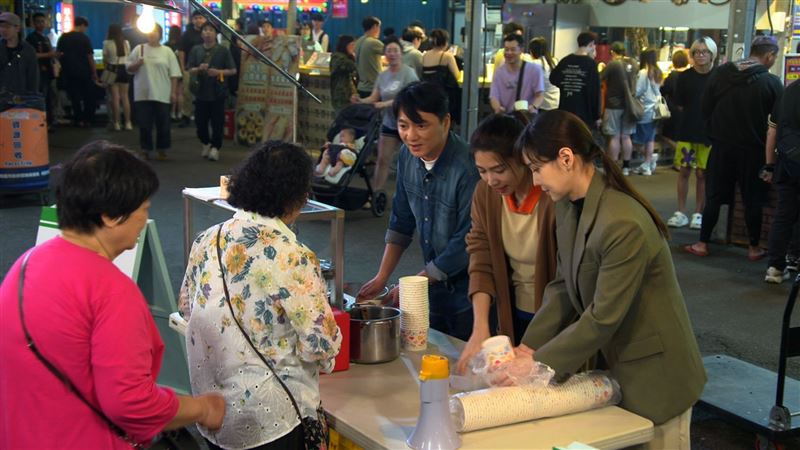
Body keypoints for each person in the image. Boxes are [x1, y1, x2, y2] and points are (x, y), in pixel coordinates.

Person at [0, 140, 226, 448]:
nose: (143, 220)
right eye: (143, 209)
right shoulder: (111, 291)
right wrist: (203, 407)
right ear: (109, 216)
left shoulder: (25, 265)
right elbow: (131, 403)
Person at [511, 110, 706, 449]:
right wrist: (528, 347)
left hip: (657, 377)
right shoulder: (569, 205)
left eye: (536, 169)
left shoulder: (621, 222)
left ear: (566, 158)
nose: (535, 181)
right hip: (616, 368)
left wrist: (538, 365)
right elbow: (561, 286)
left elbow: (603, 317)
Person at [180, 140, 342, 450]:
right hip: (274, 422)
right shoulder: (292, 255)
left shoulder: (206, 240)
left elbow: (188, 308)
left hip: (215, 415)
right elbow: (321, 345)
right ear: (296, 198)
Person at [358, 81, 480, 341]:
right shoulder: (407, 157)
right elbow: (400, 221)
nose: (411, 135)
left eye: (421, 125)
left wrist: (418, 280)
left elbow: (468, 238)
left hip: (471, 290)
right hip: (433, 285)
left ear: (446, 122)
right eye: (404, 126)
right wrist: (382, 277)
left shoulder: (468, 167)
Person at [456, 113, 557, 374]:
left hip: (554, 317)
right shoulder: (485, 194)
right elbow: (480, 256)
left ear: (523, 160)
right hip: (512, 312)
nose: (491, 180)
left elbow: (567, 279)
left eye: (499, 170)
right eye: (482, 171)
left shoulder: (552, 196)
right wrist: (480, 328)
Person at [685, 35, 783, 260]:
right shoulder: (771, 83)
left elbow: (705, 106)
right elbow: (778, 122)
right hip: (753, 150)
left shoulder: (721, 73)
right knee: (752, 200)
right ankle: (754, 248)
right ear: (769, 56)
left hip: (720, 146)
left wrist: (715, 130)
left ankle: (702, 243)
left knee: (714, 196)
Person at [352, 36, 418, 191]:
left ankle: (415, 193)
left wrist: (385, 103)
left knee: (413, 162)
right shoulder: (383, 75)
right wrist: (360, 100)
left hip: (409, 125)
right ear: (385, 55)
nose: (392, 54)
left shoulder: (409, 73)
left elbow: (409, 98)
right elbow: (374, 97)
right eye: (389, 51)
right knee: (382, 160)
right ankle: (374, 194)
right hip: (389, 123)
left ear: (401, 53)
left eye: (395, 50)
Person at [666, 38, 716, 229]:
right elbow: (679, 103)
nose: (700, 55)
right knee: (684, 171)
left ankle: (698, 213)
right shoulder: (684, 77)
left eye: (704, 52)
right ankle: (680, 212)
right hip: (687, 130)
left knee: (702, 173)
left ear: (712, 54)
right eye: (696, 52)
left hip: (708, 133)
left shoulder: (717, 76)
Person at [127, 24, 182, 161]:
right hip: (143, 93)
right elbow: (128, 68)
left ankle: (162, 149)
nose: (152, 34)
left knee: (163, 124)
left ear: (160, 34)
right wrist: (137, 64)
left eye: (155, 32)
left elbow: (174, 74)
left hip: (162, 93)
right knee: (144, 124)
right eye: (150, 32)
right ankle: (145, 149)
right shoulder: (139, 49)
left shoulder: (167, 51)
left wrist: (174, 92)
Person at [764, 79, 800, 283]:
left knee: (784, 215)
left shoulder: (788, 92)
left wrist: (769, 165)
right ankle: (794, 257)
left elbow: (772, 131)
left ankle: (775, 267)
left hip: (787, 164)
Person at [187, 23, 236, 162]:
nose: (207, 33)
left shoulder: (223, 50)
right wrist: (198, 69)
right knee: (200, 122)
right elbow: (189, 69)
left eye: (211, 30)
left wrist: (218, 72)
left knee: (217, 123)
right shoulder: (196, 50)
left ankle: (215, 147)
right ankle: (205, 142)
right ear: (201, 34)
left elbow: (233, 70)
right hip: (200, 92)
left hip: (218, 92)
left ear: (216, 34)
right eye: (205, 30)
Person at [601, 41, 638, 175]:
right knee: (626, 136)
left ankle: (614, 167)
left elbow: (600, 77)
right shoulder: (633, 64)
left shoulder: (613, 64)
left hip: (614, 104)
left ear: (612, 52)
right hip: (629, 106)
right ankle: (626, 167)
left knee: (615, 137)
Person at [550, 31, 600, 128]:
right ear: (591, 44)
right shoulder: (591, 64)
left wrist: (566, 84)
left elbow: (553, 78)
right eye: (594, 45)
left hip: (565, 108)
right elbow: (594, 92)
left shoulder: (565, 60)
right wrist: (596, 116)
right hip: (584, 113)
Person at [57, 16, 98, 128]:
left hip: (69, 72)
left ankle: (78, 119)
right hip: (84, 72)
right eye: (85, 27)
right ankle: (87, 119)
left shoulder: (63, 37)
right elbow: (90, 57)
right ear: (82, 26)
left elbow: (58, 55)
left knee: (75, 97)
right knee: (88, 97)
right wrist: (94, 72)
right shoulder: (84, 38)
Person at [489, 34, 544, 115]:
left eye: (513, 49)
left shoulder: (534, 69)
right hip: (507, 117)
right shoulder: (499, 72)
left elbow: (540, 95)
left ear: (521, 50)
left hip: (526, 117)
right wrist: (498, 108)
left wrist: (533, 107)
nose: (509, 53)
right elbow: (493, 96)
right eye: (506, 49)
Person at [631, 49, 663, 176]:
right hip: (655, 110)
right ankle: (647, 163)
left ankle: (649, 159)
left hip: (644, 109)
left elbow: (638, 91)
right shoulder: (658, 72)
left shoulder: (644, 72)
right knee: (650, 138)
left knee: (635, 140)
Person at [421, 28, 461, 124]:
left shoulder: (425, 55)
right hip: (444, 95)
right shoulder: (447, 56)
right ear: (445, 42)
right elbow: (457, 75)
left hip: (428, 95)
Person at [26, 13, 58, 127]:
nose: (41, 24)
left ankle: (50, 121)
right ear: (33, 23)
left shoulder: (45, 38)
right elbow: (33, 55)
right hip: (39, 73)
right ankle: (40, 122)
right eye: (38, 21)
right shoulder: (31, 38)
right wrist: (50, 54)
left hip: (49, 72)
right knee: (41, 97)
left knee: (50, 98)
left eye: (42, 21)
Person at [177, 11, 207, 128]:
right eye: (196, 18)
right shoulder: (187, 34)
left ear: (205, 19)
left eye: (200, 18)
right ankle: (186, 116)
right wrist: (182, 67)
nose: (198, 20)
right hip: (190, 68)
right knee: (187, 93)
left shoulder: (208, 32)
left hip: (205, 69)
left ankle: (203, 116)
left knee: (204, 92)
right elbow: (181, 51)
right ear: (192, 20)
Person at [103, 24, 132, 131]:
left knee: (115, 98)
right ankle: (128, 123)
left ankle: (117, 123)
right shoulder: (126, 43)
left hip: (113, 70)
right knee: (125, 97)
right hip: (124, 70)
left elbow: (105, 59)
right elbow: (128, 57)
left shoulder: (107, 43)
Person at [0, 12, 38, 96]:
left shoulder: (28, 50)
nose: (3, 30)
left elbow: (33, 77)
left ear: (17, 28)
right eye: (1, 27)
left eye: (7, 27)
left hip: (21, 98)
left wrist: (31, 97)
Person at [659, 49, 689, 152]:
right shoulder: (691, 74)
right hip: (687, 111)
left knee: (666, 136)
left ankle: (682, 155)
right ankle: (681, 159)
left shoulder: (673, 76)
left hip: (674, 110)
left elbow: (663, 90)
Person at [354, 16, 383, 98]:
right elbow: (390, 52)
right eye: (379, 27)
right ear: (375, 27)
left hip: (361, 86)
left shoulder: (358, 41)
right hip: (373, 87)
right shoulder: (373, 42)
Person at [528, 37, 559, 112]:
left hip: (543, 105)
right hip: (556, 103)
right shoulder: (554, 61)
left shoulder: (535, 63)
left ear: (532, 51)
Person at [329, 35, 357, 114]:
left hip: (348, 93)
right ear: (345, 45)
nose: (353, 48)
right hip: (341, 94)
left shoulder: (345, 57)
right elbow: (351, 66)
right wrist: (354, 57)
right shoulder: (338, 57)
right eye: (351, 45)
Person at [166, 25, 183, 120]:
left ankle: (172, 113)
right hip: (179, 70)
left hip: (170, 70)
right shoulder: (181, 45)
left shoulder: (166, 45)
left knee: (172, 92)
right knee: (180, 93)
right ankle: (179, 113)